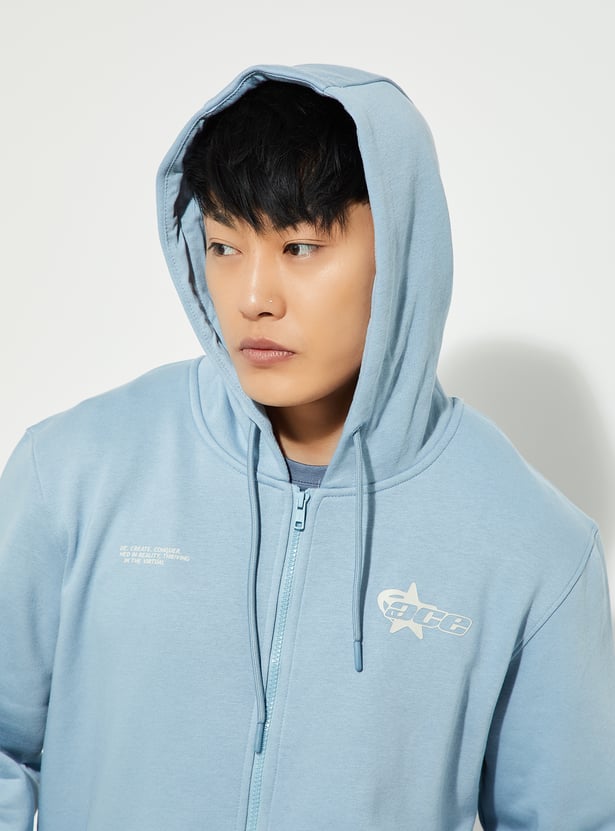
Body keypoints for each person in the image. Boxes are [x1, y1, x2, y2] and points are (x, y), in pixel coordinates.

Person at [0, 63, 614, 831]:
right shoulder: (74, 471)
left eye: (298, 247)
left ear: (399, 250)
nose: (253, 297)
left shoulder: (532, 546)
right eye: (224, 246)